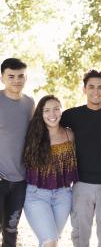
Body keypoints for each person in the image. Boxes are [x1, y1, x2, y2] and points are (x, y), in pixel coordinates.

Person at [61, 70, 101, 247]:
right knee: (80, 234)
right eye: (91, 87)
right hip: (82, 184)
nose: (96, 91)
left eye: (100, 87)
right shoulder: (71, 115)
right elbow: (49, 125)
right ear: (84, 89)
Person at [23, 95, 78, 247]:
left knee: (50, 241)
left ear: (61, 111)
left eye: (56, 109)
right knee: (50, 241)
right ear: (41, 114)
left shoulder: (69, 134)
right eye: (46, 110)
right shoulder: (33, 135)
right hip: (36, 196)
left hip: (63, 195)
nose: (52, 114)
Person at [0, 58, 34, 247]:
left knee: (11, 232)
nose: (16, 80)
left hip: (20, 181)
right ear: (2, 78)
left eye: (20, 76)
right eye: (11, 76)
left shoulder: (29, 103)